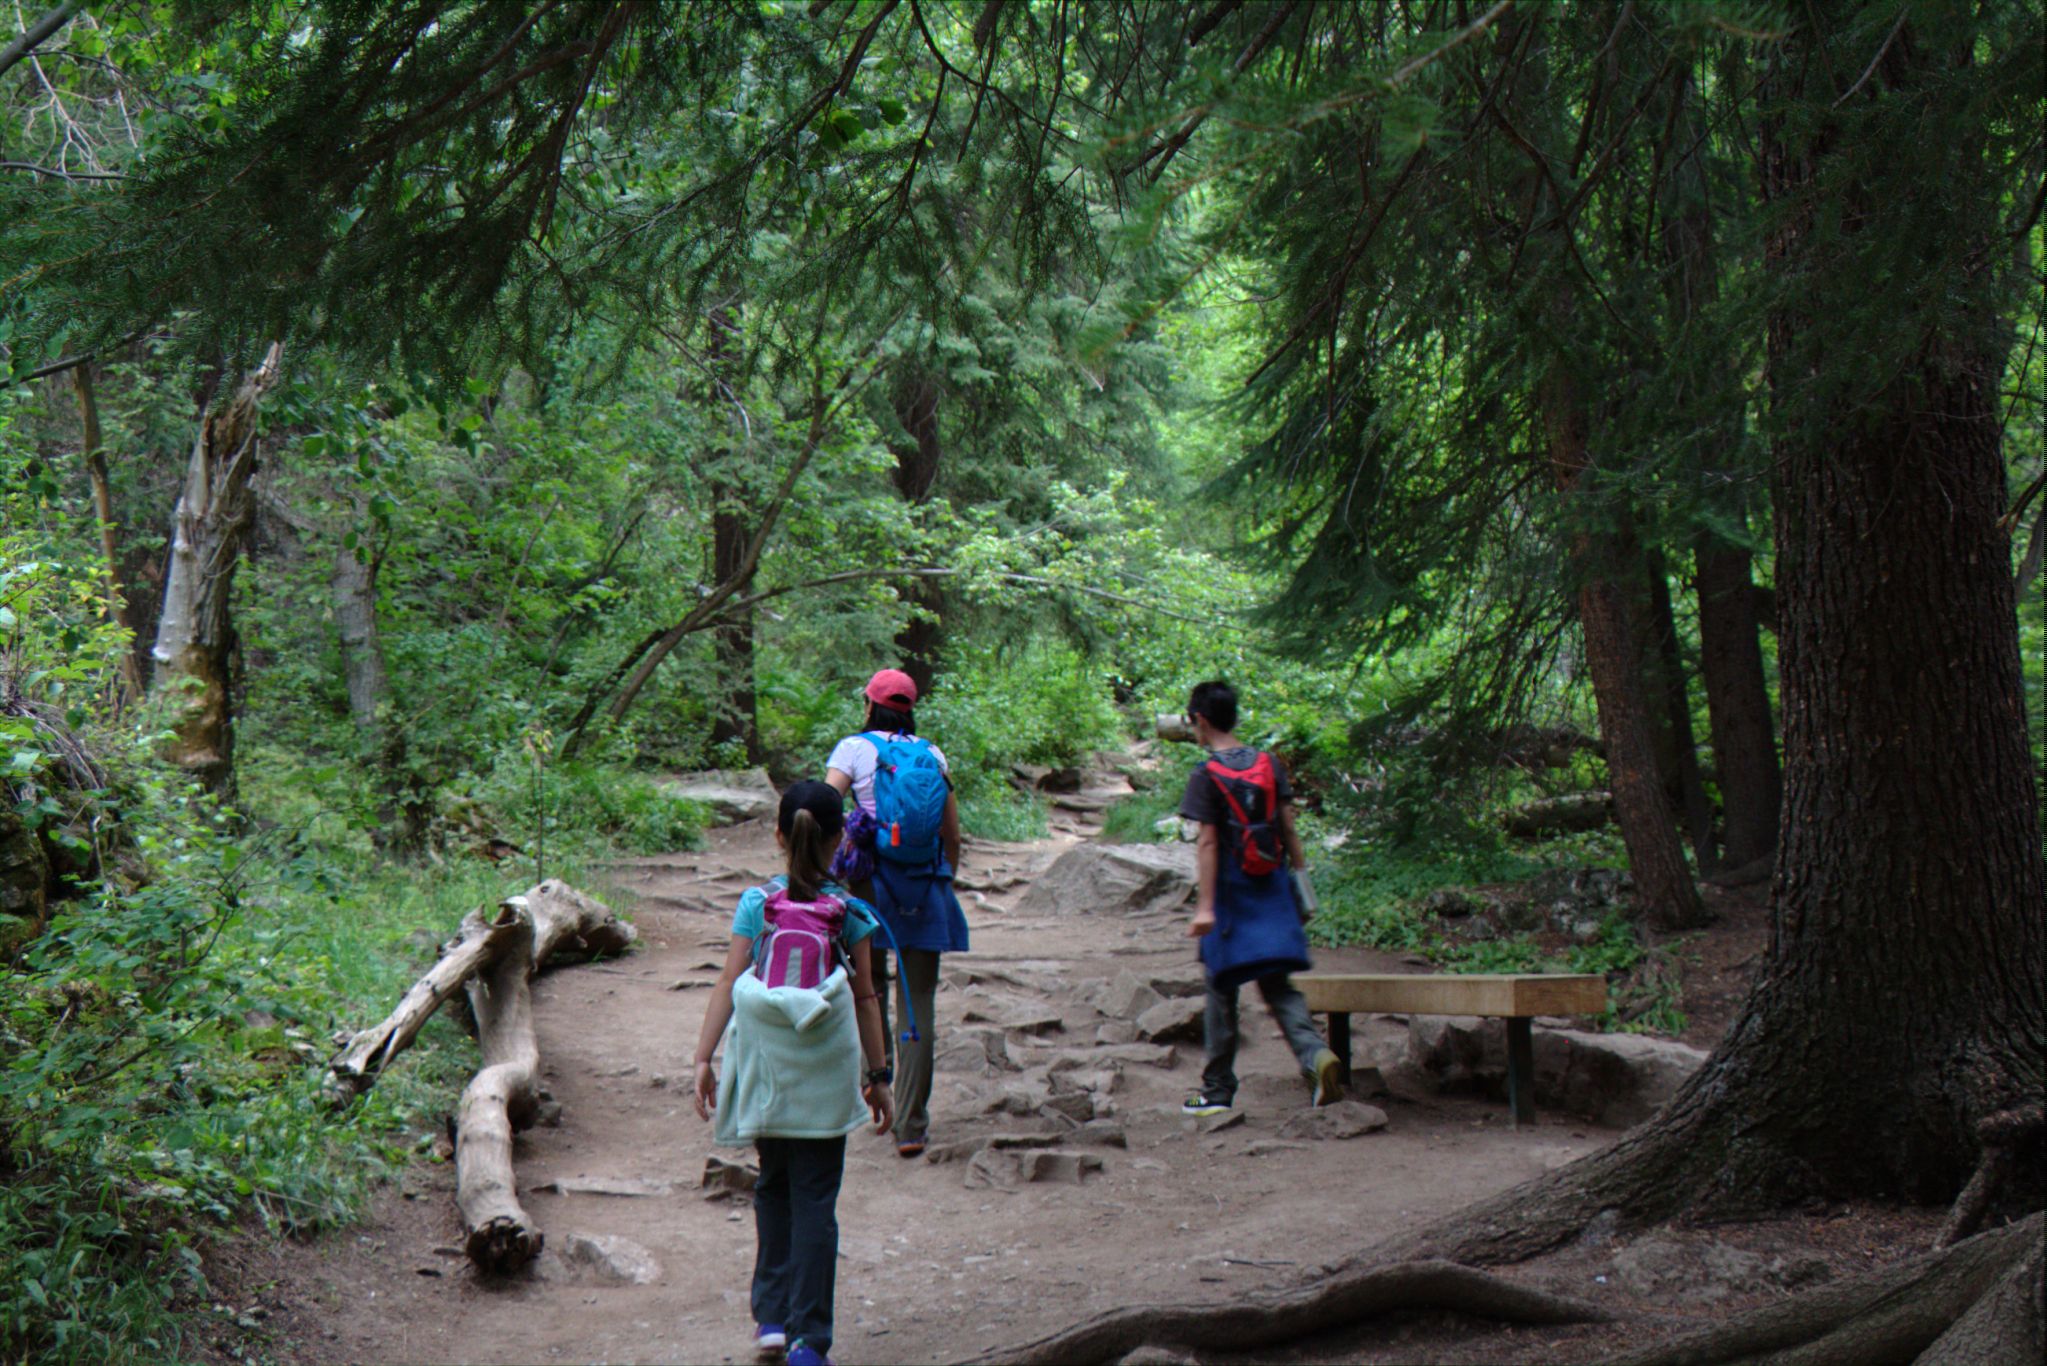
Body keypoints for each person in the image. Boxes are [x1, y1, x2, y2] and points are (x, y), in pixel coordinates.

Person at [692, 781, 894, 1366]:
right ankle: (811, 1340)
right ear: (838, 842)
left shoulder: (757, 904)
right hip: (824, 1076)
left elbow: (730, 982)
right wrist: (878, 1074)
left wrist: (704, 1058)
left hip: (766, 1070)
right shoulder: (852, 913)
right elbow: (865, 998)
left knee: (772, 1187)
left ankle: (772, 1321)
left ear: (780, 835)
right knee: (815, 1200)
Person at [1174, 679, 1342, 1116]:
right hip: (1271, 891)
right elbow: (1288, 828)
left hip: (1231, 898)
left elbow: (1209, 844)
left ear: (1201, 721)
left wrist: (1206, 906)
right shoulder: (1269, 764)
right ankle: (1315, 1055)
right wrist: (1301, 886)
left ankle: (1216, 1090)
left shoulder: (1206, 774)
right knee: (1278, 986)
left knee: (1220, 986)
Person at [823, 667, 967, 1158]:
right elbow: (951, 833)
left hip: (869, 884)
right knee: (918, 998)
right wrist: (945, 876)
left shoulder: (853, 749)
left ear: (869, 705)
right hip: (925, 887)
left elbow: (826, 804)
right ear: (910, 710)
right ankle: (912, 1124)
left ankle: (874, 1081)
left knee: (869, 986)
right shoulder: (931, 753)